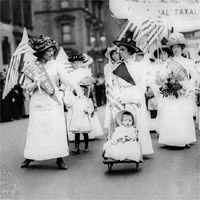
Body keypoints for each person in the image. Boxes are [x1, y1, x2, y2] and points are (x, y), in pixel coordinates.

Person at [20, 35, 82, 169]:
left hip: (54, 102)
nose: (52, 53)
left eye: (52, 50)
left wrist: (77, 89)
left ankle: (59, 158)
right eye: (48, 51)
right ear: (41, 52)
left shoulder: (56, 65)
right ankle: (30, 156)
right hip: (38, 103)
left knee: (56, 130)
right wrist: (35, 83)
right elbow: (26, 87)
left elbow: (67, 80)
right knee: (36, 131)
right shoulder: (31, 67)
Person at [111, 33, 154, 155]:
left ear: (130, 51)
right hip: (122, 97)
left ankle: (140, 150)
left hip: (135, 97)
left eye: (123, 50)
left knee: (137, 123)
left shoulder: (138, 66)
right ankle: (125, 151)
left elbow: (141, 85)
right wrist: (117, 97)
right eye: (119, 50)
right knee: (123, 124)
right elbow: (115, 85)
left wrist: (138, 99)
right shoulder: (118, 67)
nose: (120, 52)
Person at [156, 32, 197, 148]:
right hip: (171, 93)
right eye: (174, 47)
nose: (176, 49)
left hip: (183, 92)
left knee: (183, 115)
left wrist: (188, 86)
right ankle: (170, 140)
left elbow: (194, 76)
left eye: (178, 47)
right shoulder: (168, 62)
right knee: (171, 115)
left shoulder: (188, 62)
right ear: (171, 49)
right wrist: (163, 78)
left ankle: (185, 139)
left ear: (182, 48)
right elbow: (163, 76)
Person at [64, 81, 94, 154]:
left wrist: (88, 111)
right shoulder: (74, 99)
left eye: (81, 91)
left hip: (83, 118)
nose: (79, 92)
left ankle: (86, 145)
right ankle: (76, 147)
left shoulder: (87, 99)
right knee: (76, 134)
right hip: (76, 119)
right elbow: (69, 104)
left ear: (84, 92)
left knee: (85, 133)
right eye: (78, 91)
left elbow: (91, 107)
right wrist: (65, 100)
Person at [104, 46, 121, 138]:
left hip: (121, 89)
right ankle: (113, 134)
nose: (115, 56)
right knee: (112, 112)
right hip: (112, 91)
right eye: (113, 54)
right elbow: (107, 80)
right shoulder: (108, 67)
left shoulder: (123, 64)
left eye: (116, 53)